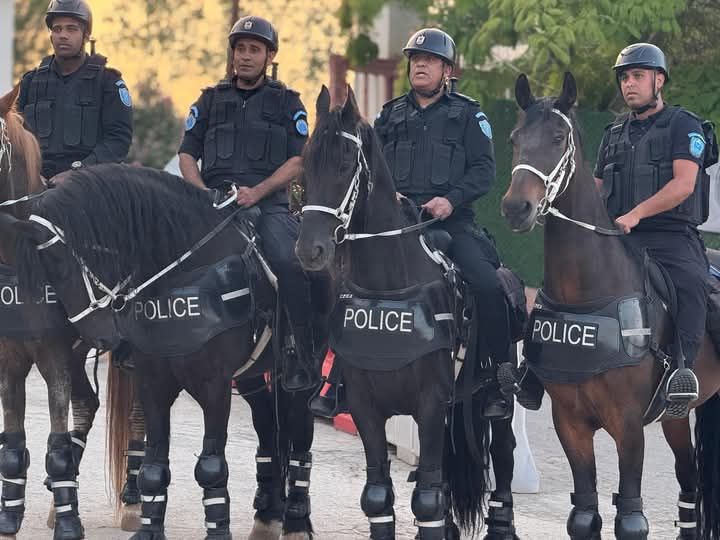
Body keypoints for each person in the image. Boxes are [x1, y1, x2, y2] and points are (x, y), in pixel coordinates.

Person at [311, 28, 513, 419]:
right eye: (415, 59)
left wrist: (450, 200)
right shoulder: (389, 116)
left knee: (487, 284)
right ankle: (337, 379)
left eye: (430, 60)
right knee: (345, 283)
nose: (420, 65)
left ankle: (497, 378)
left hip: (451, 224)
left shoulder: (469, 115)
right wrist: (390, 196)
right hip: (397, 226)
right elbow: (367, 168)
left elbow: (484, 170)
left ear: (447, 70)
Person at [178, 15, 317, 391]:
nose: (245, 56)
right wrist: (201, 194)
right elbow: (187, 154)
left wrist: (258, 191)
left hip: (268, 206)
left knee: (287, 263)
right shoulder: (209, 100)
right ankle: (143, 343)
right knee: (163, 252)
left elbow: (299, 160)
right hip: (214, 205)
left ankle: (298, 352)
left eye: (254, 50)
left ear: (270, 56)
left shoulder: (288, 103)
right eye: (240, 49)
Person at [594, 43, 713, 418]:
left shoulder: (684, 125)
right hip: (619, 237)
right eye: (624, 78)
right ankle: (538, 368)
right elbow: (597, 189)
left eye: (637, 76)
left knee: (692, 285)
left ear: (659, 80)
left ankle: (683, 372)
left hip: (671, 237)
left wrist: (635, 214)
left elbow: (684, 185)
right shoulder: (613, 133)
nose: (629, 84)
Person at [17, 0, 133, 180]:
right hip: (35, 180)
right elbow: (12, 134)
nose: (63, 35)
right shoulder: (30, 83)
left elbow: (118, 141)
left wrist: (78, 172)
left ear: (86, 35)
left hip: (89, 180)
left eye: (71, 29)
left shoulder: (108, 82)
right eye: (57, 29)